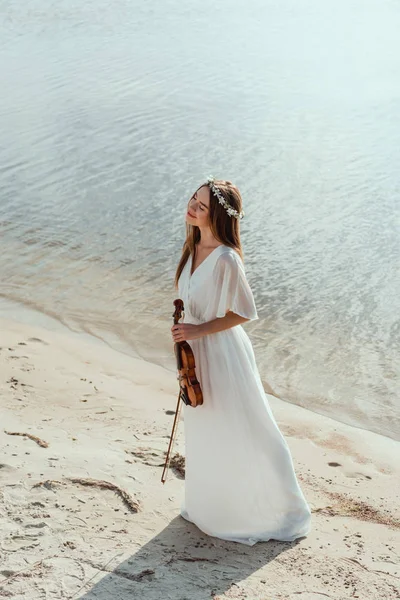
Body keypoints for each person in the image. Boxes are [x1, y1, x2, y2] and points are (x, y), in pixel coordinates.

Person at [171, 176, 312, 546]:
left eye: (201, 206)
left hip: (221, 352)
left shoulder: (226, 258)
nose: (192, 207)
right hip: (194, 352)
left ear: (216, 214)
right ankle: (208, 506)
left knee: (243, 425)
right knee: (205, 426)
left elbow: (244, 313)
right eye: (193, 199)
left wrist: (197, 332)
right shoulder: (192, 246)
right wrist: (185, 333)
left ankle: (275, 507)